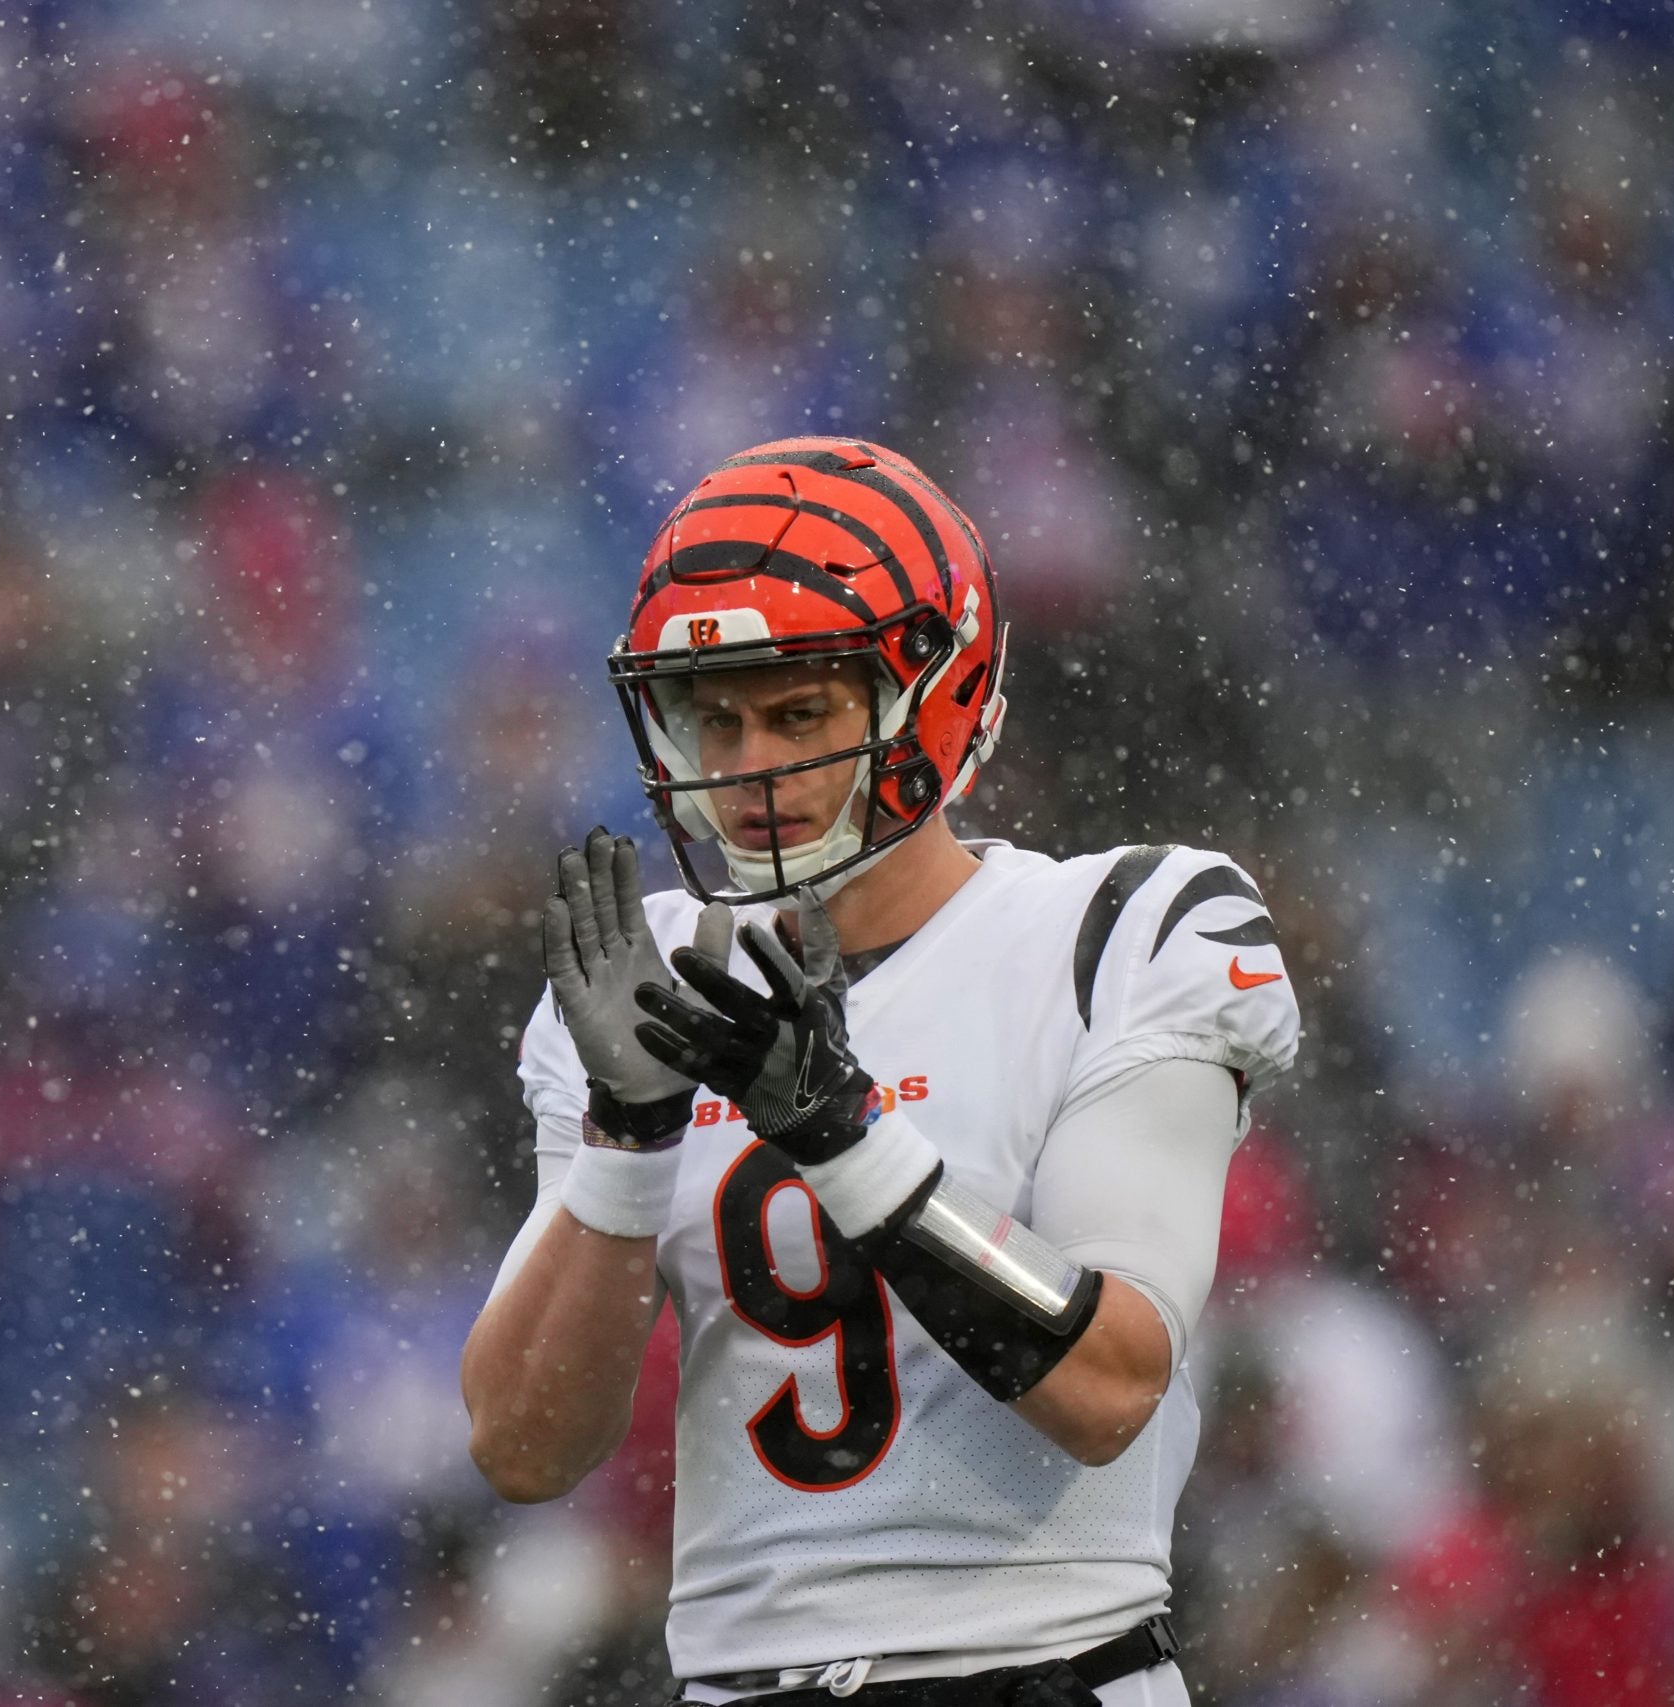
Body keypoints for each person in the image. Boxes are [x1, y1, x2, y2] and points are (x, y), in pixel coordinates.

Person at [460, 437, 1299, 1706]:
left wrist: (841, 1135)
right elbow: (521, 1447)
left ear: (937, 696)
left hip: (1045, 1667)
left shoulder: (1117, 933)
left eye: (799, 712)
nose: (747, 767)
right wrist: (630, 1143)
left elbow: (1109, 1384)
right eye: (713, 717)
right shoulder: (652, 975)